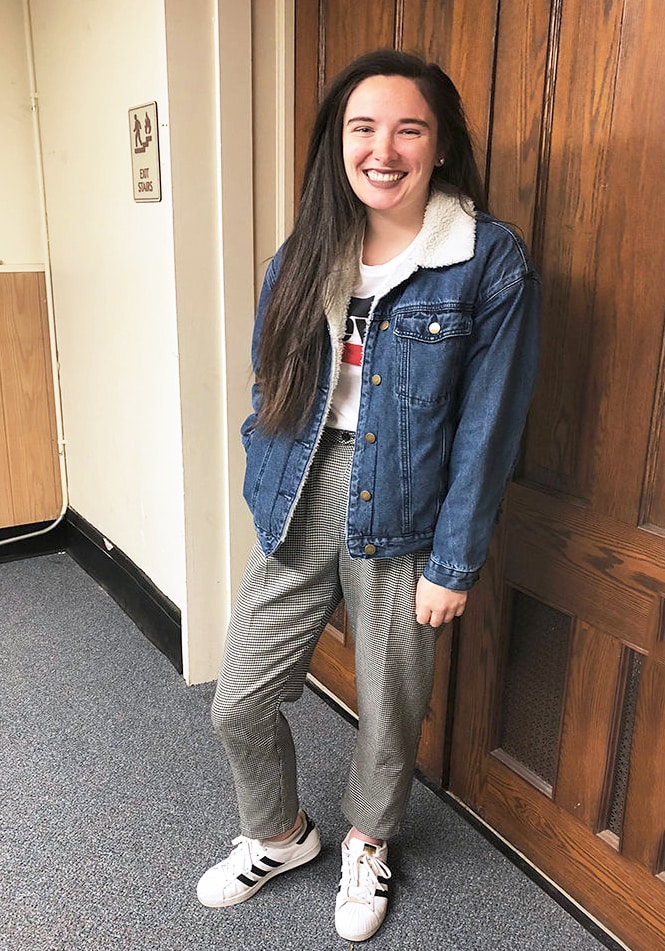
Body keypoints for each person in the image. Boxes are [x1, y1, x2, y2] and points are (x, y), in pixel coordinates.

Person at [196, 49, 540, 942]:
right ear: (336, 144)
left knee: (388, 706)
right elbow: (268, 381)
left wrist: (454, 560)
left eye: (407, 128)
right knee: (238, 697)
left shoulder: (485, 259)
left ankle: (366, 840)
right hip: (300, 488)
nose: (382, 149)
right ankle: (280, 832)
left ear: (439, 144)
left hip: (406, 504)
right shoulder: (306, 249)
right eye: (362, 128)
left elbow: (489, 426)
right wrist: (256, 466)